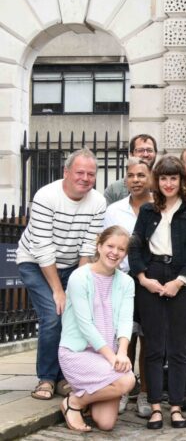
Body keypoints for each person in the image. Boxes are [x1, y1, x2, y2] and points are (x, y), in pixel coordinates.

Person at [17, 148, 107, 402]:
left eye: (91, 174)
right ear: (66, 172)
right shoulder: (46, 196)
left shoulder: (98, 202)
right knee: (53, 315)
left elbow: (88, 248)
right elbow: (43, 249)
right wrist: (58, 290)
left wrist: (76, 287)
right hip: (35, 262)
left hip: (72, 264)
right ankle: (46, 377)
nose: (85, 178)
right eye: (80, 172)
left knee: (74, 317)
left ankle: (65, 376)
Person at [129, 155, 186, 429]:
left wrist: (180, 281)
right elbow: (135, 246)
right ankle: (154, 407)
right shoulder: (148, 210)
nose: (168, 183)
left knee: (177, 348)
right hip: (151, 277)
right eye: (163, 178)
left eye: (173, 178)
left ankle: (174, 406)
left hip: (181, 280)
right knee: (152, 346)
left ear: (181, 180)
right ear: (157, 181)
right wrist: (142, 278)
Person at [58, 226, 136, 432]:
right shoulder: (79, 277)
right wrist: (113, 359)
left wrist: (122, 352)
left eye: (121, 249)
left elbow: (126, 321)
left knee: (106, 423)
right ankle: (74, 402)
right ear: (99, 246)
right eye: (110, 246)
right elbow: (85, 325)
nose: (115, 252)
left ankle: (85, 394)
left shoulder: (127, 282)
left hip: (106, 355)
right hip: (78, 353)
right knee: (127, 380)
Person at [102, 158, 153, 416]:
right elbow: (106, 245)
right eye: (131, 175)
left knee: (147, 338)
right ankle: (123, 389)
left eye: (141, 175)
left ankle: (144, 393)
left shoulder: (158, 207)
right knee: (125, 338)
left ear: (150, 178)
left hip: (150, 282)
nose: (136, 180)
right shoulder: (114, 210)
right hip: (121, 282)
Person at [104, 134, 158, 205]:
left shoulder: (164, 186)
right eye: (140, 150)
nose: (145, 154)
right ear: (131, 154)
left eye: (149, 150)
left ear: (156, 154)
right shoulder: (113, 191)